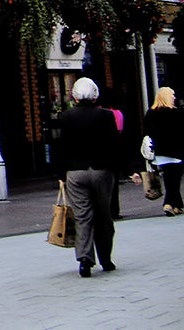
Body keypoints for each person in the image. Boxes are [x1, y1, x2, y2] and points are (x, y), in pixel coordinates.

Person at [55, 77, 121, 277]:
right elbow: (114, 145)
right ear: (95, 96)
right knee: (104, 215)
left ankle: (85, 258)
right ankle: (106, 258)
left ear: (74, 96)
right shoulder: (106, 116)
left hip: (76, 172)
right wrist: (119, 169)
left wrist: (61, 175)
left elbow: (61, 148)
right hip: (102, 170)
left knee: (83, 216)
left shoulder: (65, 117)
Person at [144, 86, 184, 216]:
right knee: (174, 180)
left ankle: (178, 205)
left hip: (159, 152)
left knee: (169, 178)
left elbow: (147, 132)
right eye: (172, 95)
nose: (174, 97)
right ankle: (168, 203)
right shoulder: (176, 113)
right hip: (175, 152)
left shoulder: (150, 113)